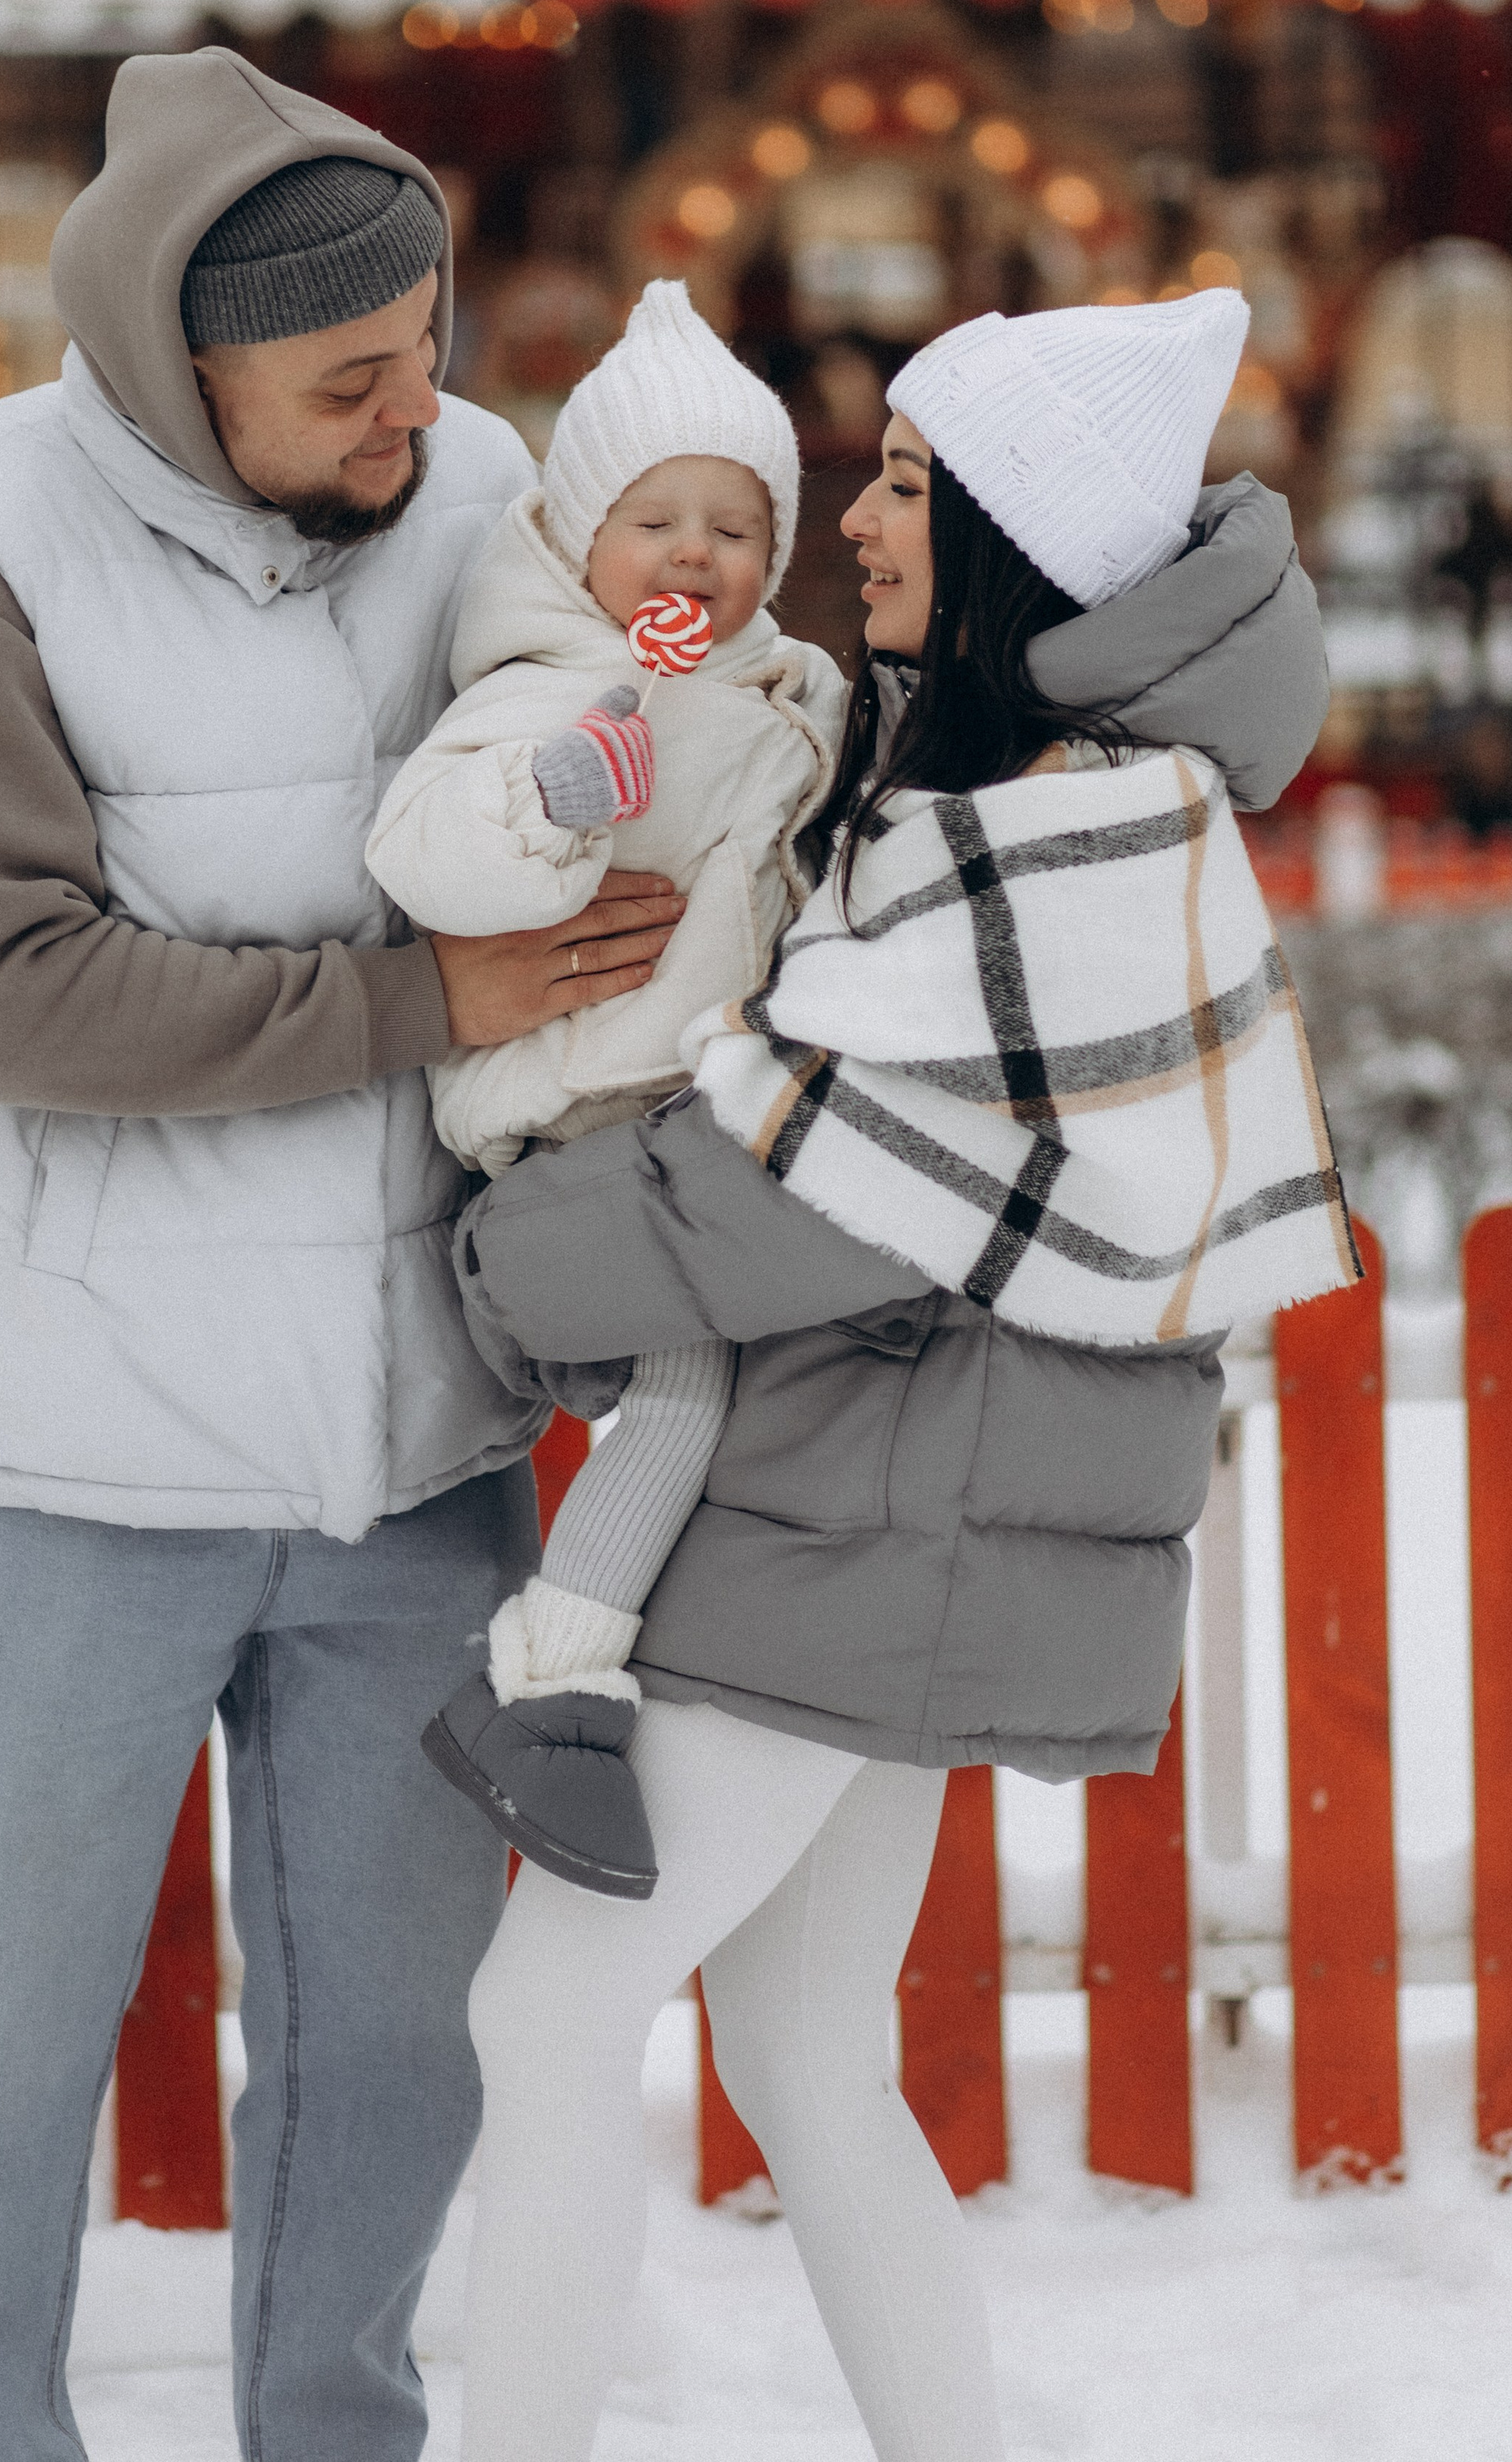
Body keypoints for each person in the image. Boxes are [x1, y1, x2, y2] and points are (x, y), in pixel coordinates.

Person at [0, 47, 682, 2462]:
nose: (420, 409)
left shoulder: (480, 485)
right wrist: (423, 1001)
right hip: (70, 1435)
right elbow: (8, 994)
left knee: (392, 2045)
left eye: (426, 349)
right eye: (351, 379)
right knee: (13, 2038)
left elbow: (619, 736)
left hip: (409, 1436)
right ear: (176, 367)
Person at [444, 288, 1353, 2462]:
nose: (856, 521)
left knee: (551, 2015)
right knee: (802, 2049)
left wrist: (489, 1250)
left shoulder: (1071, 838)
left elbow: (783, 1192)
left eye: (912, 489)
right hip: (894, 1497)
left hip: (883, 1518)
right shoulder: (1029, 784)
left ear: (1025, 538)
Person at [365, 279, 845, 1898]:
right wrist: (561, 794)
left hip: (691, 1126)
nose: (694, 557)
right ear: (580, 544)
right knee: (697, 1384)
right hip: (576, 1130)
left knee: (768, 1386)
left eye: (733, 530)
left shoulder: (780, 705)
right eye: (656, 522)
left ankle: (669, 1651)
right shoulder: (545, 693)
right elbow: (423, 846)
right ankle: (551, 1692)